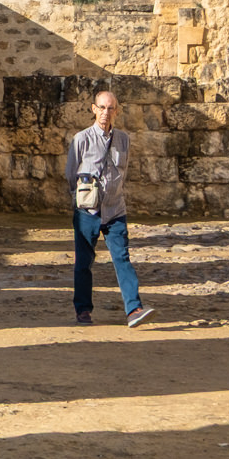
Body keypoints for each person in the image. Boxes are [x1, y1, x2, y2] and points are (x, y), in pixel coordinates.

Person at [67, 90, 153, 328]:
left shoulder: (124, 139)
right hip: (88, 212)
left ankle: (134, 309)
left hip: (116, 209)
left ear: (117, 110)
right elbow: (70, 174)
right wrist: (80, 200)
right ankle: (83, 310)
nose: (106, 113)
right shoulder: (81, 139)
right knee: (84, 262)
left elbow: (123, 171)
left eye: (110, 108)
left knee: (122, 258)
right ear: (94, 109)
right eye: (102, 108)